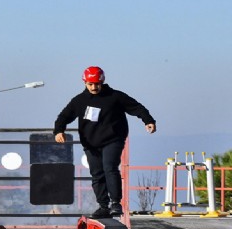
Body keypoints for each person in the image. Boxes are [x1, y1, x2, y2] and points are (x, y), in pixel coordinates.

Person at [54, 66, 156, 219]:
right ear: (85, 83)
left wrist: (148, 121)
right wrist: (59, 131)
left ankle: (115, 203)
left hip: (113, 139)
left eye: (97, 84)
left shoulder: (115, 96)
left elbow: (136, 107)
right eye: (90, 84)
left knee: (110, 168)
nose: (94, 87)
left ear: (102, 82)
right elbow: (63, 116)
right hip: (91, 143)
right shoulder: (79, 101)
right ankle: (103, 206)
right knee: (97, 174)